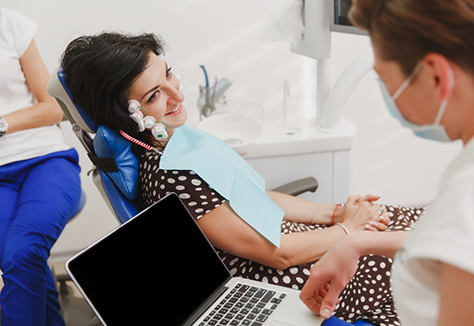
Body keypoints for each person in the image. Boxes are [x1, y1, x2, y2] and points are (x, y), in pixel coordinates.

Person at [60, 32, 424, 325]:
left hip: (302, 246)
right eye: (155, 95)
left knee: (411, 224)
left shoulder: (174, 139)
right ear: (127, 114)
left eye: (168, 74)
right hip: (286, 276)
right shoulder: (170, 174)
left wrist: (336, 213)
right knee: (422, 249)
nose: (178, 94)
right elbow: (278, 256)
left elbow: (254, 194)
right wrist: (348, 231)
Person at [299, 0, 474, 325]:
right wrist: (357, 243)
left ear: (436, 76)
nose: (387, 95)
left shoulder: (465, 195)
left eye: (384, 80)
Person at [0, 7, 82, 326]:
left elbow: (53, 109)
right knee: (17, 260)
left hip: (44, 160)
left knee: (22, 252)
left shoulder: (8, 23)